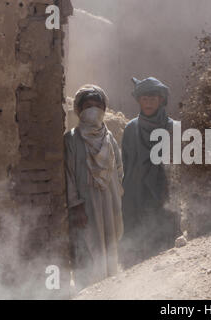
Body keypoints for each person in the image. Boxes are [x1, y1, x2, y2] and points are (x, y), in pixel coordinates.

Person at [64, 84, 124, 291]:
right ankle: (88, 290)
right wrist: (76, 205)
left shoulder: (109, 139)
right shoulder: (71, 139)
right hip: (85, 204)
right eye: (88, 105)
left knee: (109, 243)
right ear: (79, 110)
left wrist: (116, 195)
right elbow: (68, 175)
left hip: (109, 200)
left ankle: (109, 289)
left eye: (98, 106)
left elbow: (119, 170)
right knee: (86, 245)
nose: (93, 109)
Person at [121, 77, 179, 267]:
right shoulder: (130, 129)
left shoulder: (174, 128)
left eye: (153, 98)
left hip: (164, 195)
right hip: (136, 195)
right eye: (144, 98)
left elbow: (179, 166)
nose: (148, 102)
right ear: (138, 100)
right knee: (137, 248)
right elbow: (126, 165)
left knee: (164, 247)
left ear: (161, 100)